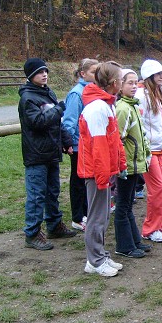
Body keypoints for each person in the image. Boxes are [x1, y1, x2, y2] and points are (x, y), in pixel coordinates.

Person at [18, 58, 77, 250]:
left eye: (45, 71)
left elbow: (55, 123)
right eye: (39, 72)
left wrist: (66, 140)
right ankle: (32, 234)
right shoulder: (28, 98)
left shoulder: (47, 93)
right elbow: (38, 122)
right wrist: (59, 109)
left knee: (53, 191)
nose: (44, 74)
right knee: (37, 195)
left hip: (51, 152)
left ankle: (54, 225)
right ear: (30, 76)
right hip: (36, 155)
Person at [78, 61, 127, 276]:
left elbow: (114, 141)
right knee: (96, 218)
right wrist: (102, 177)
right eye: (122, 79)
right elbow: (98, 147)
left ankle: (100, 255)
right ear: (114, 82)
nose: (123, 83)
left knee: (103, 216)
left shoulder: (106, 105)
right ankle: (95, 261)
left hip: (105, 171)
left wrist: (119, 164)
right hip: (97, 172)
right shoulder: (97, 108)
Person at [113, 68, 153, 258]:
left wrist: (146, 155)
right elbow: (117, 140)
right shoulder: (122, 109)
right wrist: (120, 165)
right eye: (129, 82)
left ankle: (134, 240)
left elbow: (140, 136)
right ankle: (124, 246)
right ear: (119, 85)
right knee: (122, 205)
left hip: (135, 163)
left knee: (128, 204)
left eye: (135, 82)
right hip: (126, 165)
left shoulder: (133, 106)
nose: (134, 86)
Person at [136, 59, 162, 239]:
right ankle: (149, 229)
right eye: (159, 74)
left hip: (158, 148)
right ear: (150, 76)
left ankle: (159, 225)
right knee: (157, 188)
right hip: (149, 150)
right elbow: (140, 125)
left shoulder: (156, 94)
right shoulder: (141, 96)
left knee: (160, 188)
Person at [63, 58, 99, 232]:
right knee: (78, 181)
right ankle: (77, 217)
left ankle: (86, 212)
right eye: (93, 72)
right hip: (79, 145)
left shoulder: (93, 91)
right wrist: (69, 142)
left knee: (87, 181)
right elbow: (69, 120)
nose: (97, 75)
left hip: (91, 145)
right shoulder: (77, 94)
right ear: (83, 74)